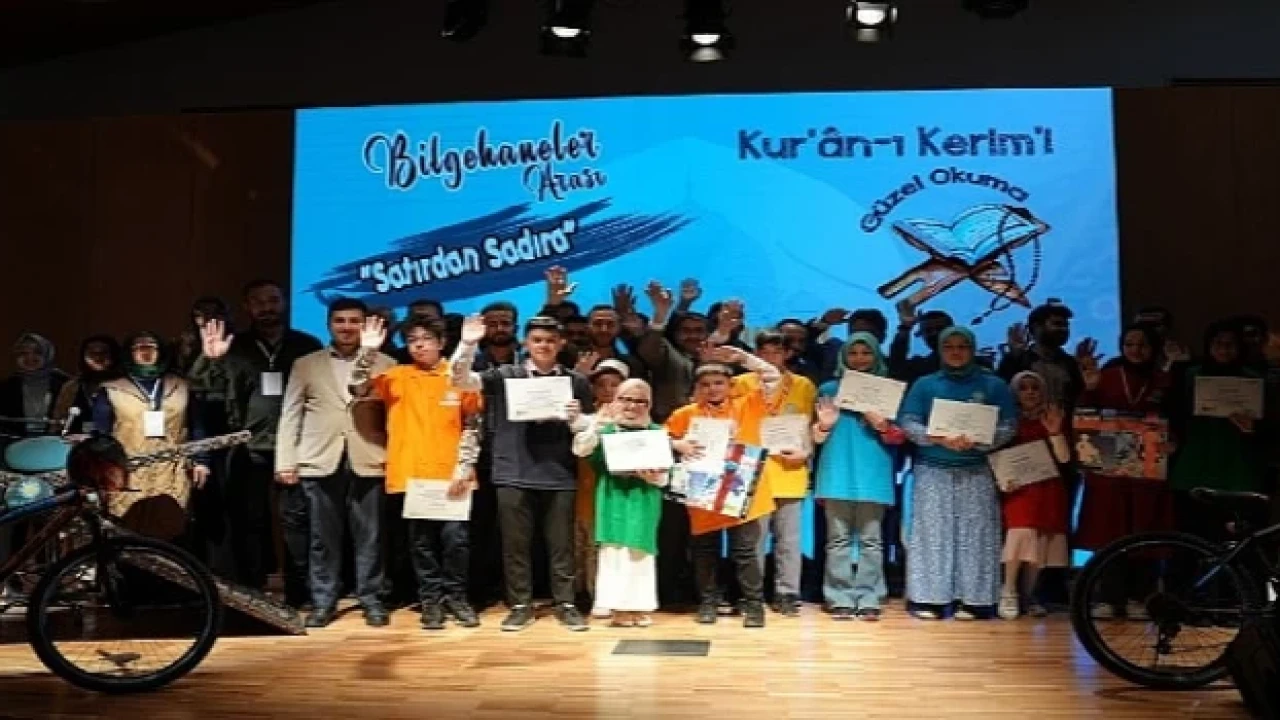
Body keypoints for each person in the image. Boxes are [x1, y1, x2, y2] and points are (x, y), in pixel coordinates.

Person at [449, 314, 595, 632]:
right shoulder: (505, 375)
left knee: (561, 545)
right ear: (526, 343)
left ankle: (566, 603)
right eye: (537, 340)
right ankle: (519, 605)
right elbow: (460, 381)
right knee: (515, 545)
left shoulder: (576, 382)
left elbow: (588, 433)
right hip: (513, 470)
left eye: (550, 340)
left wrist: (577, 419)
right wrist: (468, 344)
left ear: (561, 344)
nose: (544, 346)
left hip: (559, 472)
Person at [191, 279, 323, 606]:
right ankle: (250, 590)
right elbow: (201, 390)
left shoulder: (306, 345)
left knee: (297, 522)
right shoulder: (233, 346)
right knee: (248, 521)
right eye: (259, 302)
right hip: (247, 446)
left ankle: (301, 592)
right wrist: (211, 359)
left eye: (273, 300)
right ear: (247, 307)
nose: (267, 308)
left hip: (297, 446)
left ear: (285, 302)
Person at [349, 315, 483, 630]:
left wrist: (464, 466)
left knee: (456, 542)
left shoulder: (459, 376)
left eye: (426, 339)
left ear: (442, 343)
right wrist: (368, 351)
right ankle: (430, 601)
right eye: (412, 340)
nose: (419, 345)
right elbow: (357, 388)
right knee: (421, 544)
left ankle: (456, 598)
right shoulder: (397, 376)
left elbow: (473, 424)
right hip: (413, 474)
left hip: (452, 474)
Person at [276, 298, 396, 628]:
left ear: (365, 325)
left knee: (370, 536)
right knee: (322, 538)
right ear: (329, 325)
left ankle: (372, 598)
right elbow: (291, 414)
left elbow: (393, 417)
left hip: (369, 456)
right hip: (319, 458)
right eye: (340, 321)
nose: (347, 327)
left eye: (354, 321)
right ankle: (323, 601)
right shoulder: (306, 364)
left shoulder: (386, 363)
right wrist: (286, 461)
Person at [665, 306, 782, 628]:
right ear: (697, 388)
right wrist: (679, 444)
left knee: (745, 550)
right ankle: (708, 603)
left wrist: (745, 359)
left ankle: (753, 605)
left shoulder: (748, 405)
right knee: (705, 550)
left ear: (730, 385)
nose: (713, 389)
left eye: (719, 382)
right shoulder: (686, 414)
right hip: (703, 490)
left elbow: (772, 378)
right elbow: (662, 436)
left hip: (742, 490)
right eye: (706, 384)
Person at [898, 326, 1016, 620]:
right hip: (933, 469)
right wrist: (935, 438)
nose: (956, 352)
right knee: (932, 535)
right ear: (940, 351)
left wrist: (981, 441)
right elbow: (908, 421)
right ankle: (930, 599)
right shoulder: (925, 384)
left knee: (976, 535)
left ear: (972, 349)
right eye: (949, 346)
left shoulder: (993, 385)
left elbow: (1009, 425)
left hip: (976, 469)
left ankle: (974, 601)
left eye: (962, 346)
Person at [811, 333, 906, 620]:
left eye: (866, 352)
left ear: (876, 355)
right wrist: (824, 425)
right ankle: (838, 596)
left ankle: (869, 596)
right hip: (837, 471)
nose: (860, 358)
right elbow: (815, 438)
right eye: (853, 353)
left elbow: (899, 437)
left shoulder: (888, 391)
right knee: (837, 540)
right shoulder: (829, 388)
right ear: (844, 357)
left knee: (871, 540)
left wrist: (882, 425)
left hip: (873, 473)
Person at [94, 331, 209, 540]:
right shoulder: (112, 389)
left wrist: (201, 461)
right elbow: (101, 436)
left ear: (160, 352)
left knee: (170, 528)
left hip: (172, 470)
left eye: (151, 347)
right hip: (128, 471)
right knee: (128, 531)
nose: (145, 352)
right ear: (129, 353)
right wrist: (102, 472)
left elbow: (197, 427)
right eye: (139, 348)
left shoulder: (181, 386)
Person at [572, 378, 668, 627]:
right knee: (614, 553)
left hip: (643, 499)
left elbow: (666, 476)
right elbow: (581, 450)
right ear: (615, 401)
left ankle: (639, 608)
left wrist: (655, 477)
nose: (632, 406)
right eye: (626, 399)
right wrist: (597, 425)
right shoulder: (607, 431)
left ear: (649, 405)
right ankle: (618, 609)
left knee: (640, 554)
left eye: (640, 401)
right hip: (613, 498)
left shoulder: (656, 432)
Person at [742, 330, 817, 617]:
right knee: (754, 540)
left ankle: (787, 592)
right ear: (756, 354)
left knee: (789, 539)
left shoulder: (803, 385)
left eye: (776, 352)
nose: (770, 357)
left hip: (790, 470)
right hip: (754, 471)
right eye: (764, 352)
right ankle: (752, 594)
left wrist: (806, 452)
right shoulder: (742, 383)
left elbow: (809, 426)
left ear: (787, 354)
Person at [997, 372, 1071, 620]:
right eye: (1024, 388)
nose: (1030, 392)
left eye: (1035, 388)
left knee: (1041, 542)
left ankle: (1029, 595)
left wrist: (1055, 432)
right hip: (1018, 488)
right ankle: (1008, 591)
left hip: (1047, 487)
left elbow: (1064, 458)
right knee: (1020, 534)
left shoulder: (1053, 417)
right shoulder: (1007, 420)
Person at [576, 359, 630, 611]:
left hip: (616, 492)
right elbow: (580, 446)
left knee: (606, 546)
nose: (608, 390)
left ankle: (604, 596)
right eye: (601, 384)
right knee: (581, 545)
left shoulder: (634, 420)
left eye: (614, 384)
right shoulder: (586, 418)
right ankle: (581, 594)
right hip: (583, 488)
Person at [1, 333, 70, 440]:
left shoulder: (66, 384)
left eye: (37, 352)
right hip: (15, 442)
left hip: (57, 442)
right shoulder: (7, 386)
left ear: (47, 354)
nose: (30, 357)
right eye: (23, 353)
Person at [51, 335, 123, 434]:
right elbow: (57, 422)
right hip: (73, 441)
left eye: (103, 353)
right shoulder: (71, 387)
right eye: (92, 353)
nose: (97, 357)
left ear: (114, 356)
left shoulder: (126, 386)